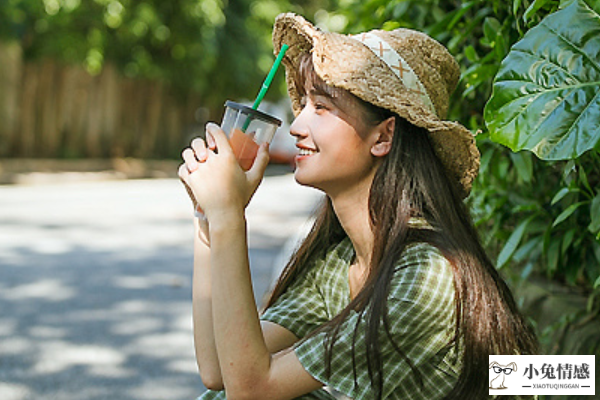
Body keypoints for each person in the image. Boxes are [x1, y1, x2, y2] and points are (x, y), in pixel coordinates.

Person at [178, 13, 538, 400]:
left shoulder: (427, 276)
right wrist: (208, 217)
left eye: (321, 107)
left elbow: (251, 389)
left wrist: (230, 216)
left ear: (383, 136)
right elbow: (220, 371)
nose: (296, 127)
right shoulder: (339, 266)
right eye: (303, 106)